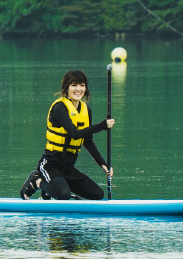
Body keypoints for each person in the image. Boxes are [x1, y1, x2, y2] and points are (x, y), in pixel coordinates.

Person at [20, 70, 115, 200]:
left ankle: (53, 188)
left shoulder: (86, 110)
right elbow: (74, 134)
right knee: (63, 195)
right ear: (66, 88)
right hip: (50, 165)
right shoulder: (60, 107)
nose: (78, 89)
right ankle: (37, 181)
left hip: (68, 168)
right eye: (74, 85)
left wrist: (103, 164)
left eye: (82, 85)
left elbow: (87, 141)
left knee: (98, 194)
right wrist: (102, 126)